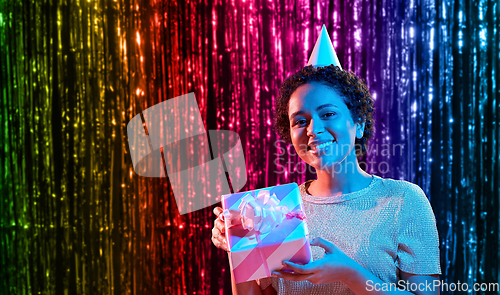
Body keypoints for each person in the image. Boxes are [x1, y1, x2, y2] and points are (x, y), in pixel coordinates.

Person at [211, 26, 441, 295]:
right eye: (300, 121)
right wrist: (236, 244)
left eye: (328, 114)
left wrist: (349, 273)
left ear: (359, 123)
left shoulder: (403, 200)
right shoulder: (274, 210)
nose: (312, 129)